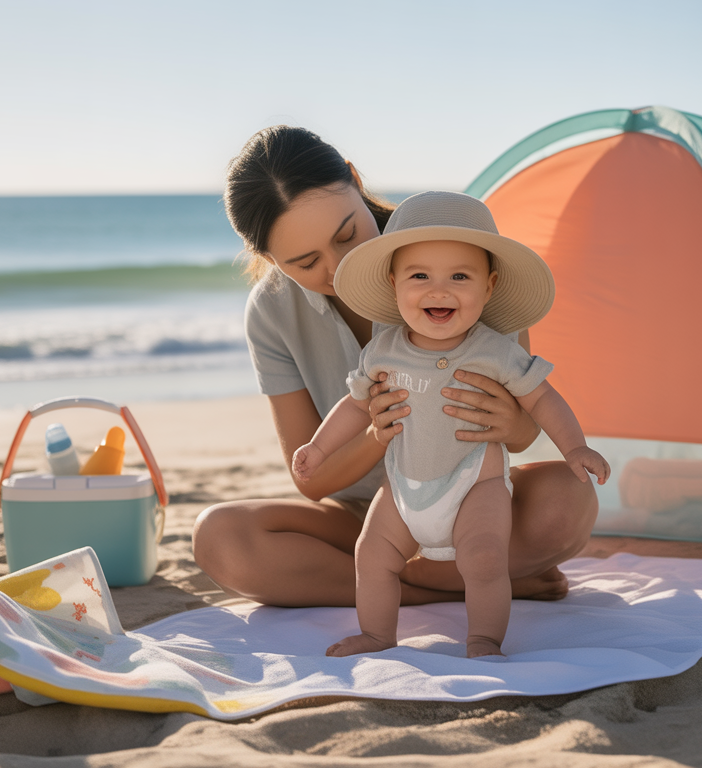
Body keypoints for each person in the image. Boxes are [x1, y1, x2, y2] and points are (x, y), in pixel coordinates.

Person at [191, 125, 600, 609]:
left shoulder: (458, 259)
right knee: (220, 538)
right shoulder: (272, 311)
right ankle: (436, 586)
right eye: (304, 262)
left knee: (570, 500)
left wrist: (513, 421)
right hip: (369, 519)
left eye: (347, 234)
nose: (338, 267)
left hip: (472, 501)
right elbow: (312, 479)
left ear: (354, 179)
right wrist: (375, 434)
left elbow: (523, 429)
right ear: (268, 259)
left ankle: (411, 579)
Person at [291, 191, 610, 657]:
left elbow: (542, 397)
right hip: (402, 490)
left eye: (460, 276)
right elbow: (356, 405)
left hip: (474, 485)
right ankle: (378, 634)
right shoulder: (383, 351)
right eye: (419, 276)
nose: (439, 290)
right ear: (394, 283)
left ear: (490, 286)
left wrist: (575, 447)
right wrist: (318, 449)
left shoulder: (493, 350)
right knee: (372, 555)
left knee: (483, 559)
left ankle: (483, 638)